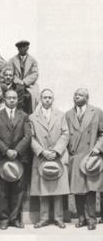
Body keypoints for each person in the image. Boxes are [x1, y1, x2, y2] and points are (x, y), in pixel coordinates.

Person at [0, 89, 31, 230]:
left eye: (14, 98)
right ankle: (3, 219)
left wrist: (17, 151)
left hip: (19, 158)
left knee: (18, 190)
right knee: (1, 191)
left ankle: (14, 218)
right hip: (1, 157)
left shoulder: (24, 116)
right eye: (9, 98)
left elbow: (27, 136)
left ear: (17, 99)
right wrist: (6, 150)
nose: (12, 100)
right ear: (4, 99)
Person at [29, 89, 70, 229]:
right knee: (43, 190)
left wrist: (56, 151)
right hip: (41, 157)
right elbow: (31, 137)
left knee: (57, 190)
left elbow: (65, 134)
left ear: (53, 99)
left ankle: (59, 218)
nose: (47, 100)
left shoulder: (61, 115)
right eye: (45, 97)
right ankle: (44, 218)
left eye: (50, 98)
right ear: (40, 99)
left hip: (57, 157)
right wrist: (42, 151)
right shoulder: (33, 117)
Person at [65, 88, 103, 230]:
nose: (76, 97)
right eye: (75, 94)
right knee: (78, 189)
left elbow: (102, 133)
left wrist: (98, 147)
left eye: (80, 95)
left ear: (87, 98)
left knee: (91, 189)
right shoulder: (68, 114)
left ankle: (91, 219)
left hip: (91, 157)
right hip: (75, 157)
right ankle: (81, 218)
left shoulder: (97, 112)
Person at [7, 40, 40, 113]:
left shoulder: (33, 61)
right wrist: (18, 81)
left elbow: (35, 74)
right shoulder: (12, 60)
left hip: (29, 86)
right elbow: (10, 73)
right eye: (20, 47)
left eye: (24, 47)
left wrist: (24, 82)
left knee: (31, 97)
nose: (22, 49)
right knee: (11, 96)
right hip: (16, 85)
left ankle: (29, 117)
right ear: (18, 49)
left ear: (27, 48)